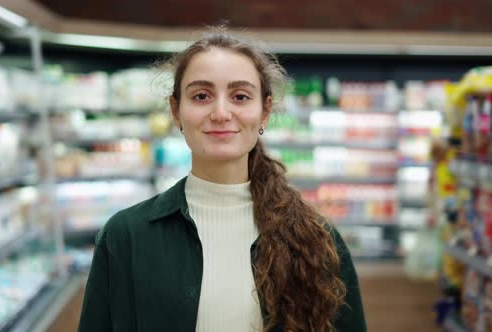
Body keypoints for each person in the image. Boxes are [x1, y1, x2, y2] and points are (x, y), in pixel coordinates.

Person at [78, 28, 367, 332]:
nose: (220, 113)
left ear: (265, 111)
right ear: (176, 111)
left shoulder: (317, 240)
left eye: (240, 96)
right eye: (201, 96)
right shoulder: (125, 237)